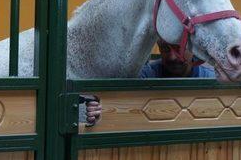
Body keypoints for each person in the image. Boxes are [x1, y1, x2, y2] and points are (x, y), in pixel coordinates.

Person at [83, 39, 215, 125]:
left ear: (193, 49)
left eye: (178, 49)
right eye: (165, 49)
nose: (172, 57)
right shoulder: (146, 76)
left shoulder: (212, 81)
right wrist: (99, 111)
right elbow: (119, 105)